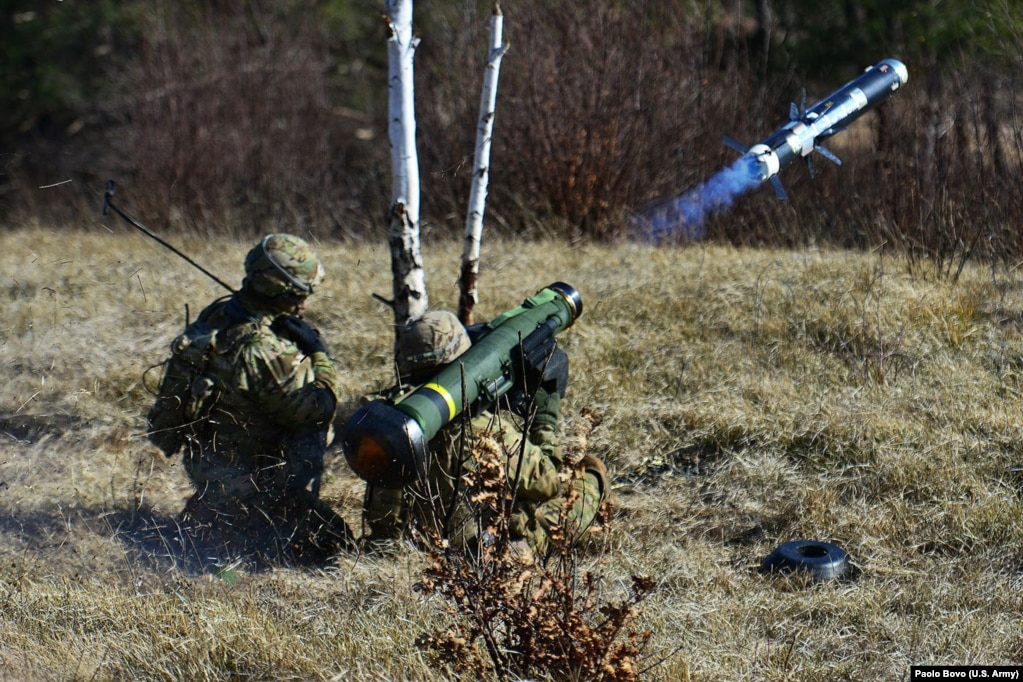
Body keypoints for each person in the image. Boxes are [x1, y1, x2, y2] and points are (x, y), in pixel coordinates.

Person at [146, 233, 353, 563]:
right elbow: (319, 408)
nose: (305, 303)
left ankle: (212, 514)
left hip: (210, 472)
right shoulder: (262, 350)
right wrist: (318, 354)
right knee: (337, 544)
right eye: (301, 292)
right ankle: (247, 526)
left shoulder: (216, 317)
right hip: (258, 486)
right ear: (281, 290)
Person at [361, 310, 608, 561]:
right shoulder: (482, 431)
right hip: (484, 552)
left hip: (419, 543)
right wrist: (544, 418)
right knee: (590, 472)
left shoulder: (391, 425)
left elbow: (385, 521)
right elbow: (548, 483)